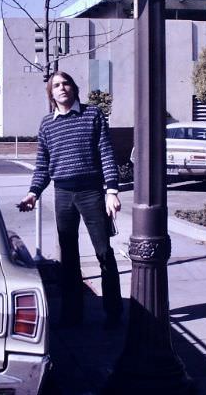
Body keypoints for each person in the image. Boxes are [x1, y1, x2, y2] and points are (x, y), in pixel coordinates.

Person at [18, 71, 123, 329]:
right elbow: (43, 166)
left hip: (91, 193)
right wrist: (33, 193)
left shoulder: (92, 115)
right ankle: (72, 314)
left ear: (74, 88)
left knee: (104, 252)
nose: (61, 88)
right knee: (69, 257)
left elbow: (106, 153)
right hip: (62, 194)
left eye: (65, 83)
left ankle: (113, 313)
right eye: (56, 85)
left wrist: (111, 191)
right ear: (51, 93)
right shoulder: (47, 125)